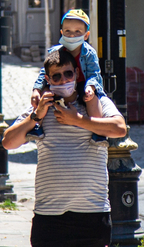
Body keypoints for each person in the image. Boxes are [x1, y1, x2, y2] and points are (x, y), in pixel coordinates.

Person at [1, 49, 127, 247]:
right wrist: (35, 116)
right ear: (48, 80)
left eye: (68, 75)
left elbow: (119, 129)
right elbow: (8, 142)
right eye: (55, 77)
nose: (62, 81)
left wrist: (78, 119)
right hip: (49, 216)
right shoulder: (40, 111)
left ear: (77, 75)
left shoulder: (94, 104)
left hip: (92, 214)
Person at [28, 9, 105, 145]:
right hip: (59, 85)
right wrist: (37, 89)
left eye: (77, 32)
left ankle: (98, 131)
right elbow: (43, 73)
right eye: (68, 31)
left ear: (86, 35)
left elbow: (94, 73)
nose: (72, 35)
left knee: (92, 99)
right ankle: (37, 126)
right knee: (46, 95)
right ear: (62, 32)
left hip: (82, 84)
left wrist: (91, 87)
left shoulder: (89, 53)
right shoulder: (55, 51)